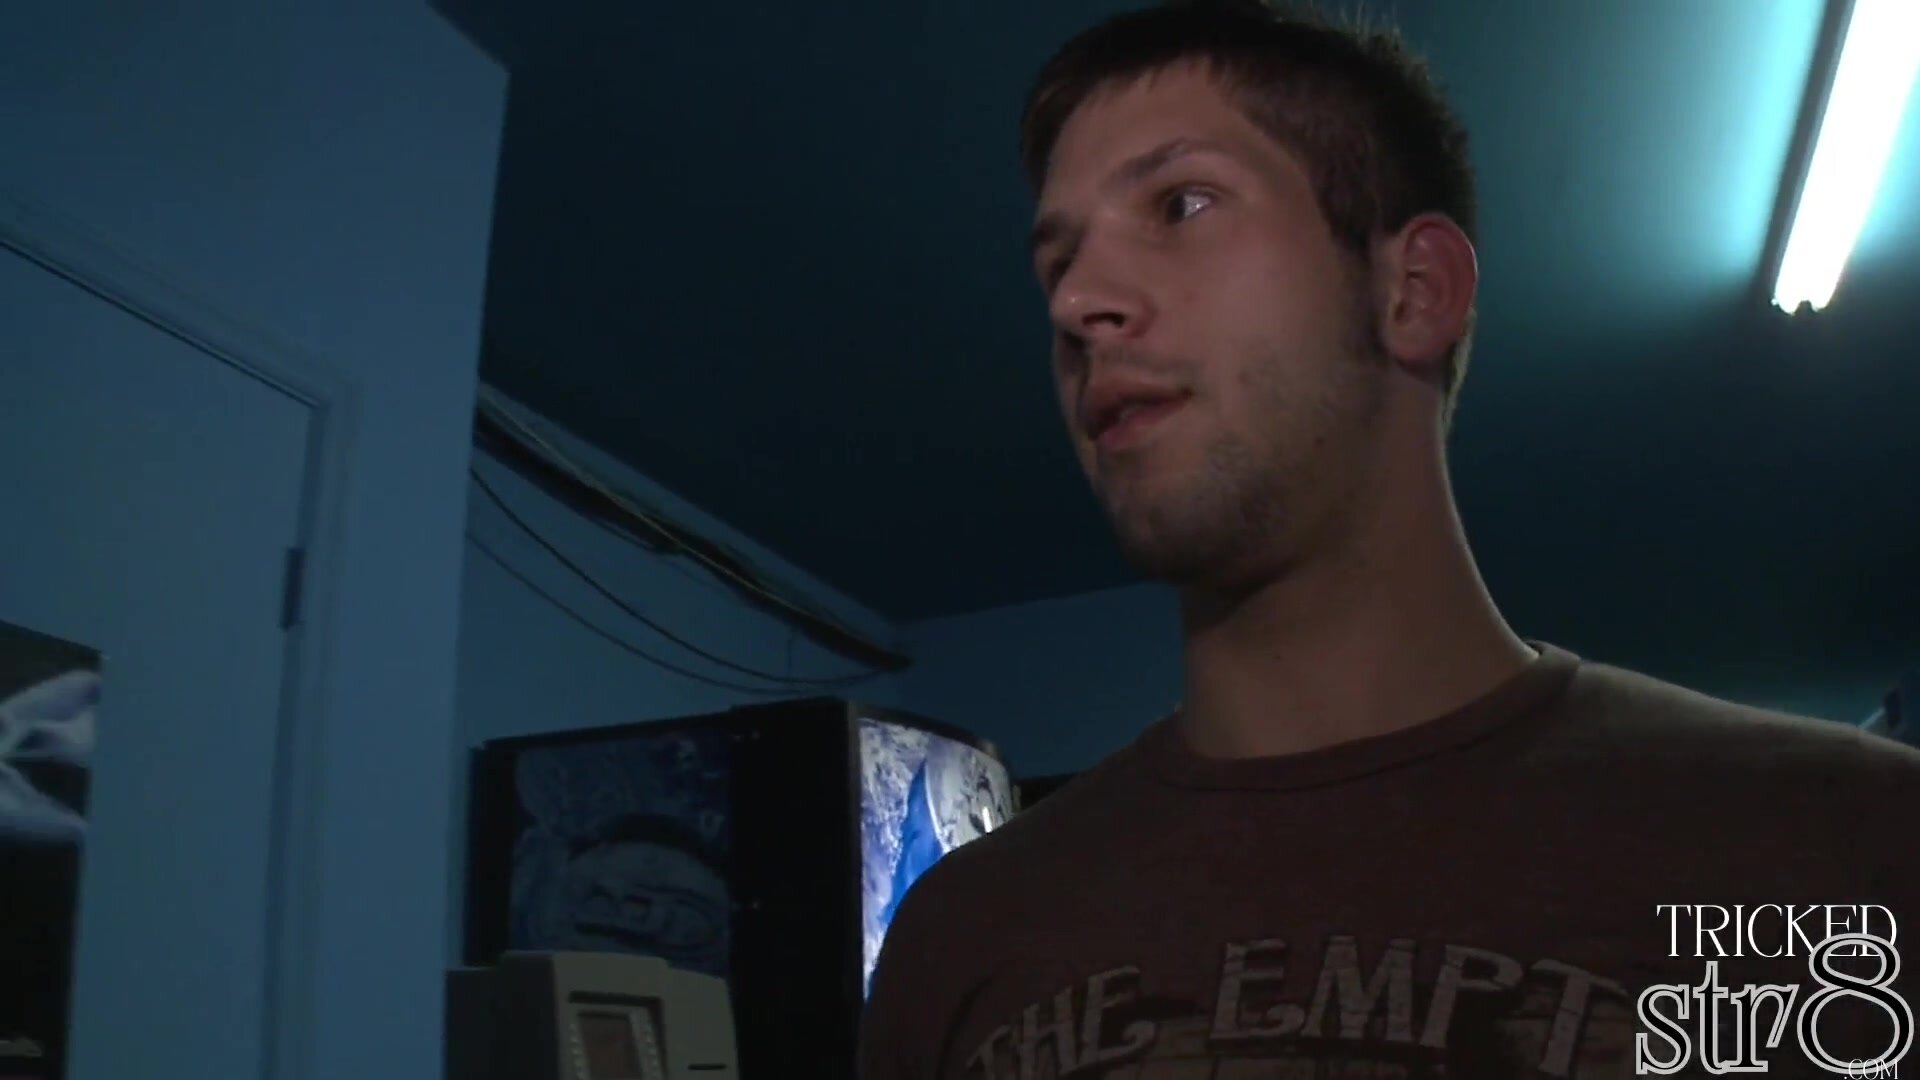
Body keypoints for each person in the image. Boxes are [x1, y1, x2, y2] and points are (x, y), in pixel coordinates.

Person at [857, 1, 1920, 1076]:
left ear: (1415, 292)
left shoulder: (1852, 844)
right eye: (1057, 265)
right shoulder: (961, 939)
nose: (1080, 302)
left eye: (1181, 204)